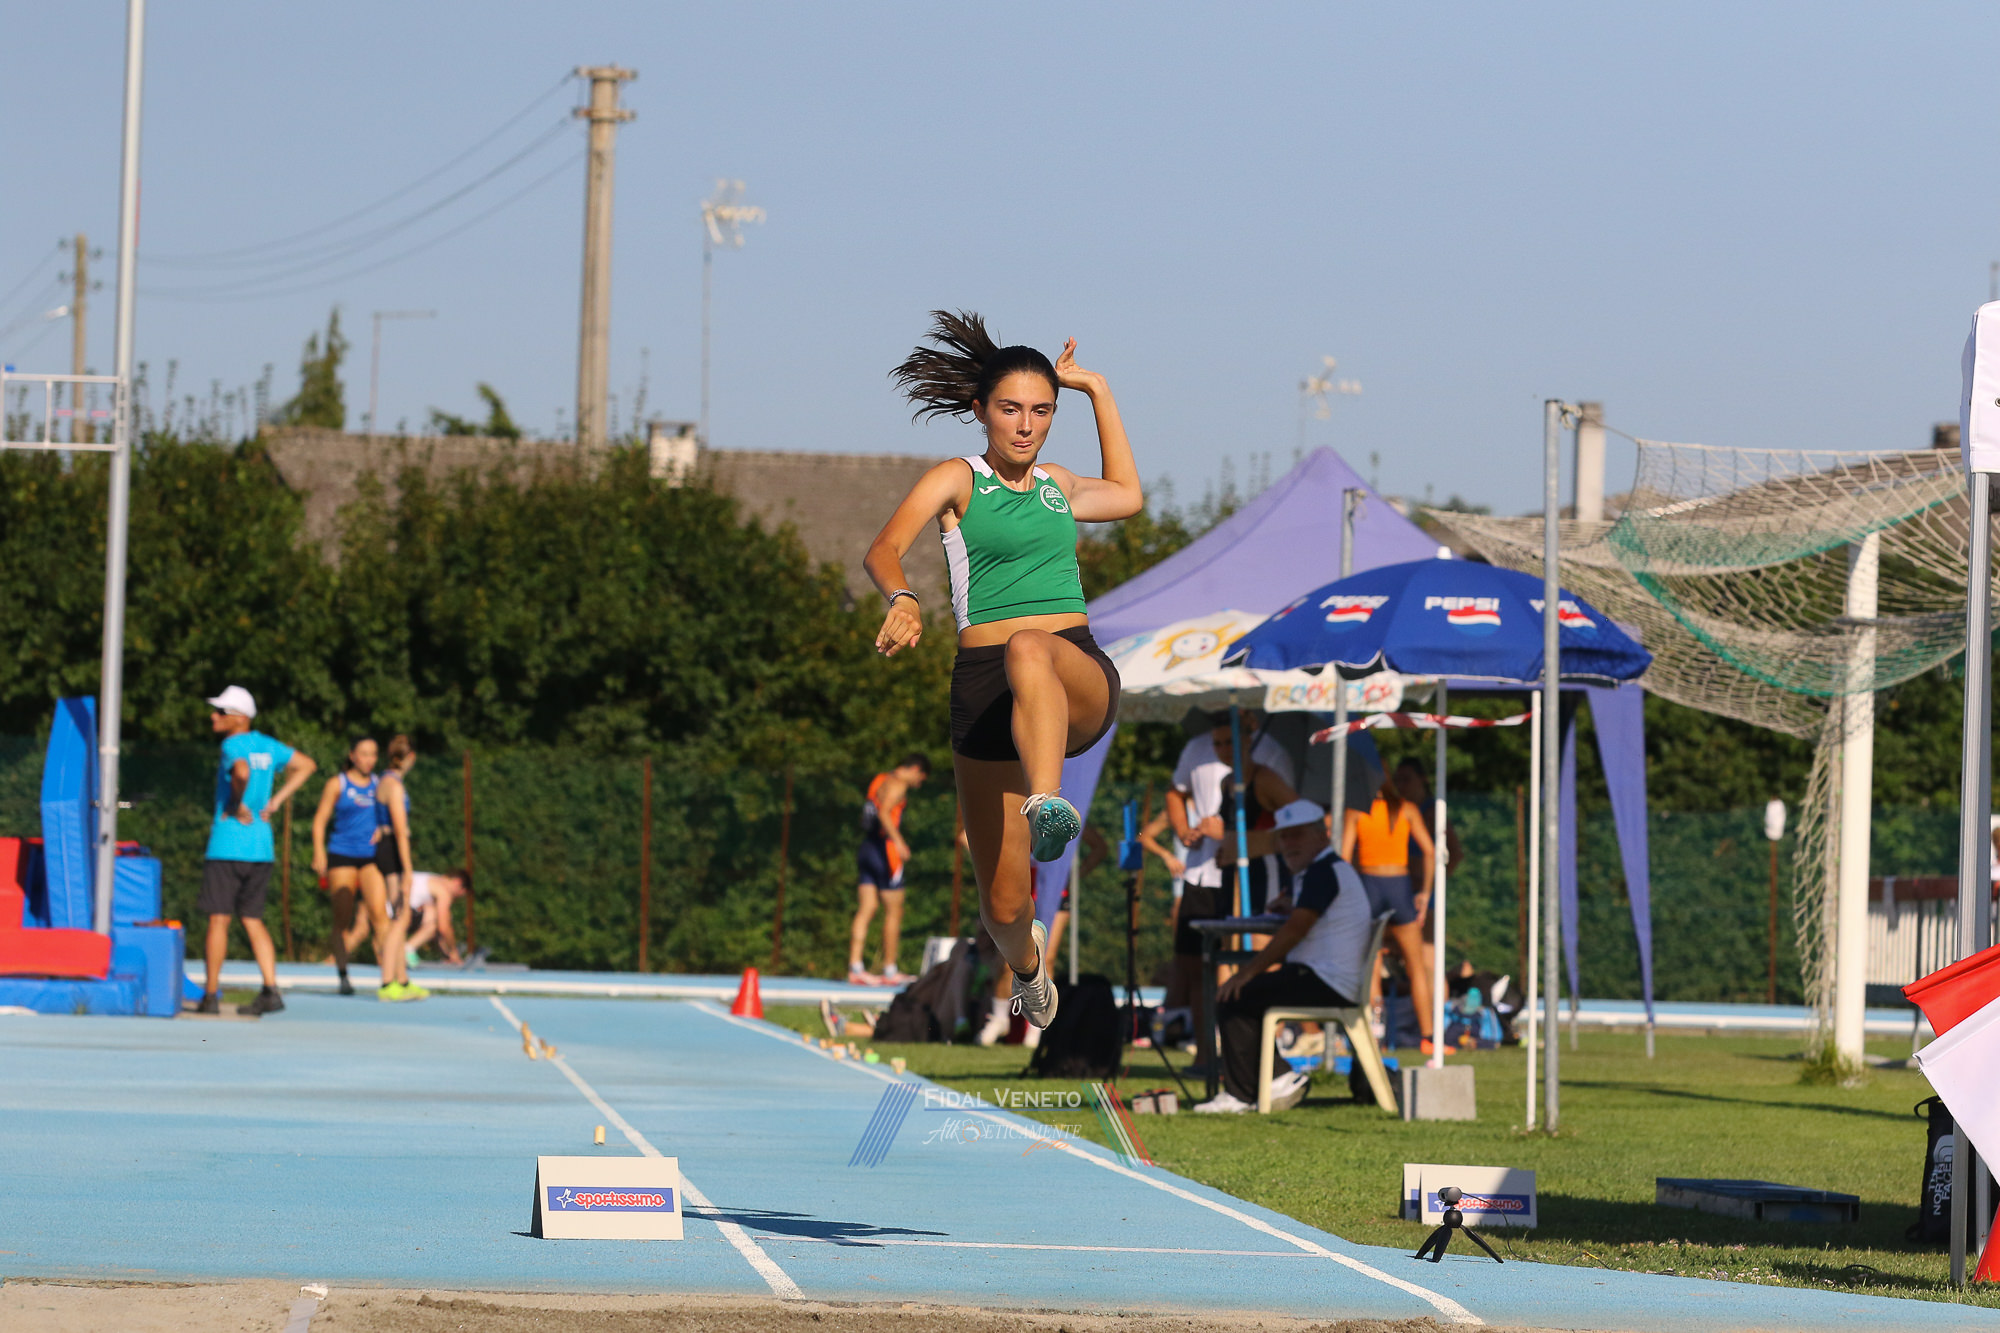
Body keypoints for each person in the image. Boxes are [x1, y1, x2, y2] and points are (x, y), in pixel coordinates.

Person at [866, 311, 1141, 1033]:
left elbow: (1127, 494)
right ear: (981, 409)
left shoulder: (1057, 484)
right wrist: (902, 598)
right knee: (1004, 904)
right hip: (984, 691)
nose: (1026, 425)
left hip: (1070, 668)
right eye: (1012, 409)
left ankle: (1047, 801)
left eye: (1042, 410)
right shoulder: (958, 479)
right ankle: (1027, 965)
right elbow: (884, 548)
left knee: (1029, 646)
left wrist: (1097, 389)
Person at [1196, 799, 1373, 1114]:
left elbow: (1294, 932)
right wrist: (1291, 906)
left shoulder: (1324, 872)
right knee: (1243, 996)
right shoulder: (1321, 870)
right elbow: (1304, 921)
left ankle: (1246, 1092)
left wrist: (1246, 973)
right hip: (1327, 977)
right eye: (1284, 836)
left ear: (1321, 836)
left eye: (1298, 835)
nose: (1289, 844)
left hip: (1327, 981)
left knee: (1235, 996)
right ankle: (1273, 1078)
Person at [1165, 712, 1298, 1054]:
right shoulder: (1228, 783)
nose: (1224, 750)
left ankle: (1269, 1046)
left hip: (1263, 875)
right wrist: (1213, 838)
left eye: (1231, 742)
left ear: (1248, 740)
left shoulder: (1266, 778)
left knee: (1260, 957)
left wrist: (1248, 841)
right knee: (1222, 959)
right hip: (1230, 878)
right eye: (1219, 744)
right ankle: (1227, 1045)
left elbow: (1300, 821)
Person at [198, 686, 317, 1016]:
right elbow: (307, 765)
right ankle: (270, 989)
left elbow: (241, 772)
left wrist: (236, 802)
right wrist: (276, 801)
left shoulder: (231, 745)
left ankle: (210, 996)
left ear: (239, 718)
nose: (214, 716)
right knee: (253, 920)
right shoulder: (268, 745)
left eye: (221, 712)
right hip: (261, 847)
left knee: (218, 920)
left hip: (227, 845)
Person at [310, 737, 424, 1002]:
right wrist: (318, 851)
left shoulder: (378, 783)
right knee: (343, 919)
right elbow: (320, 820)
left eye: (373, 754)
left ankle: (394, 979)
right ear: (352, 756)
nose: (369, 759)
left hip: (370, 858)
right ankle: (342, 974)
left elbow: (386, 815)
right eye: (364, 754)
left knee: (381, 916)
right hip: (342, 856)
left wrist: (383, 830)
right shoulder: (337, 784)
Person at [1343, 773, 1436, 1053]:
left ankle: (1377, 1038)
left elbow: (1344, 858)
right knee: (1416, 966)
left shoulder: (1356, 811)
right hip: (1399, 887)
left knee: (1371, 966)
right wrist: (1425, 892)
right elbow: (1430, 851)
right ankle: (1428, 1037)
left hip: (1370, 886)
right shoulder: (1407, 809)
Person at [850, 754, 931, 984]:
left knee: (867, 908)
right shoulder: (898, 784)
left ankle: (855, 967)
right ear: (915, 769)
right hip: (885, 851)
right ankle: (889, 970)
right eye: (921, 778)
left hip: (867, 846)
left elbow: (869, 811)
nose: (918, 784)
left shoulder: (880, 779)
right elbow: (884, 812)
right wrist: (899, 842)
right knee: (894, 912)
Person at [402, 868, 470, 965]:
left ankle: (405, 949)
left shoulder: (431, 879)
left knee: (431, 913)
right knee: (440, 918)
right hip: (399, 913)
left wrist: (446, 954)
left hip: (390, 909)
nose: (455, 899)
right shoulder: (443, 890)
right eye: (458, 894)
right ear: (457, 882)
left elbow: (436, 933)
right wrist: (454, 951)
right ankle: (408, 949)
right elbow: (443, 927)